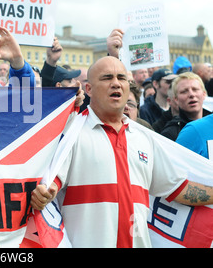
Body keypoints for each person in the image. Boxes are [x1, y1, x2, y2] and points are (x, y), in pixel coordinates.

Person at [31, 56, 213, 248]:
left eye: (121, 78)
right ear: (89, 89)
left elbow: (178, 188)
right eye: (107, 77)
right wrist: (43, 194)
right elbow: (49, 184)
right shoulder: (72, 132)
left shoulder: (145, 138)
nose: (116, 83)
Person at [160, 72, 210, 141]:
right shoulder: (170, 134)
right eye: (184, 91)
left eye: (195, 89)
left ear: (204, 94)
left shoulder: (211, 123)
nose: (191, 94)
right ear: (176, 99)